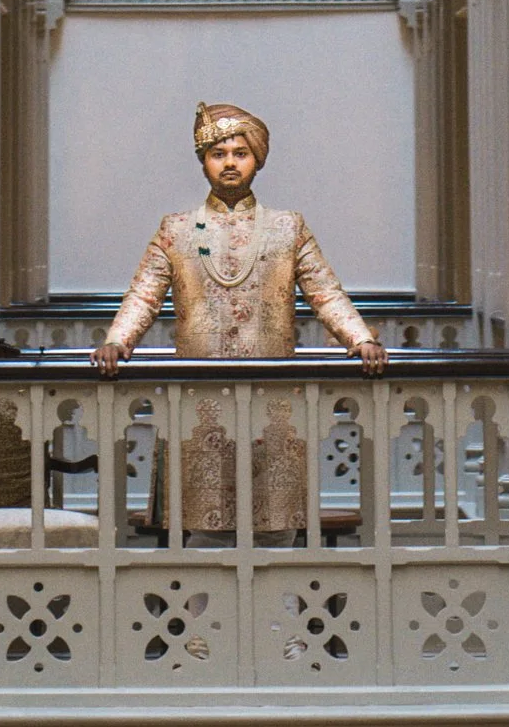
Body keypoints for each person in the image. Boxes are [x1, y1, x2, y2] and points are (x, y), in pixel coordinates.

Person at [93, 100, 385, 538]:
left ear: (257, 160)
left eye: (240, 153)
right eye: (218, 154)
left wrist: (359, 339)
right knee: (200, 535)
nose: (229, 164)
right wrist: (117, 341)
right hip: (198, 405)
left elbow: (325, 292)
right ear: (203, 162)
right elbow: (144, 294)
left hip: (274, 404)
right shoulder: (176, 229)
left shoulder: (288, 228)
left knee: (278, 529)